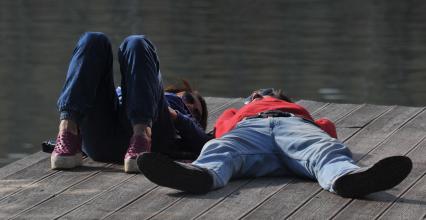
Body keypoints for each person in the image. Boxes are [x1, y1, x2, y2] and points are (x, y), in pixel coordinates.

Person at [138, 88, 413, 198]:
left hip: (285, 126)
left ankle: (347, 179)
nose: (260, 94)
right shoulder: (288, 109)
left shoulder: (287, 107)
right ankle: (200, 176)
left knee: (325, 149)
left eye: (264, 93)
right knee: (218, 148)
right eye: (258, 93)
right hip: (263, 128)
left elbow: (223, 127)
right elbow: (327, 128)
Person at [51, 32, 212, 173]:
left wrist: (177, 115)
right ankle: (67, 131)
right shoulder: (159, 91)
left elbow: (205, 143)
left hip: (151, 140)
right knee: (93, 40)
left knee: (137, 43)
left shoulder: (178, 115)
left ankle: (142, 135)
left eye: (196, 113)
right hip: (102, 140)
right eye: (189, 99)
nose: (191, 106)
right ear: (175, 91)